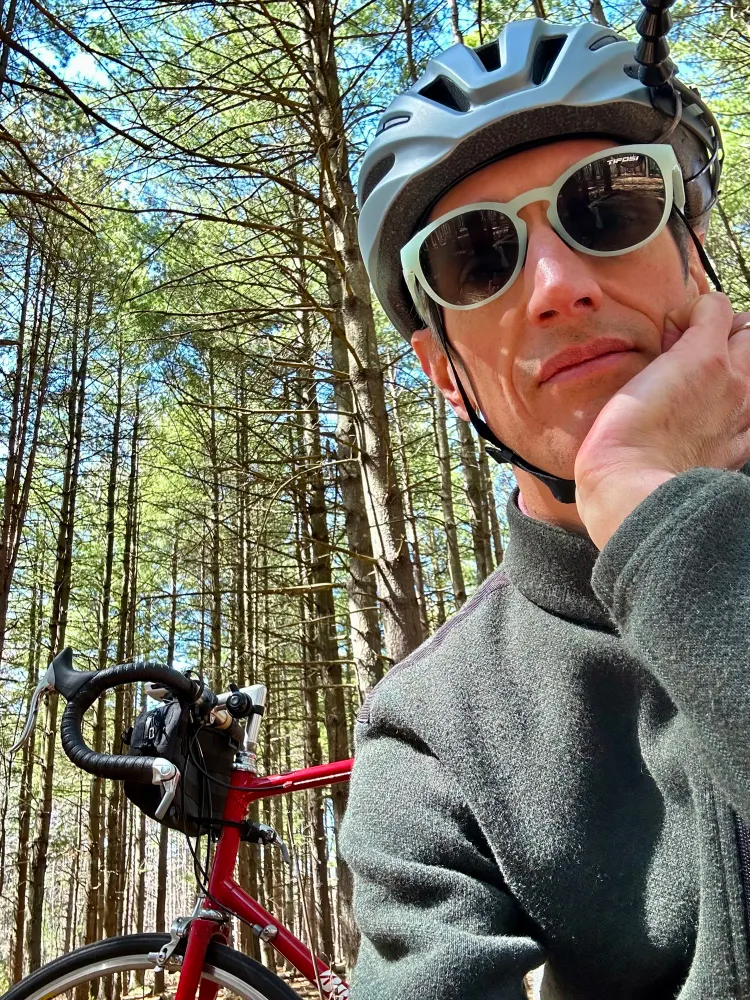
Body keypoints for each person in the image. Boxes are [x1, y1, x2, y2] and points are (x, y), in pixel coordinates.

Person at [339, 16, 750, 1000]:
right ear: (444, 371)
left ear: (694, 254)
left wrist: (664, 521)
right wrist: (638, 485)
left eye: (608, 207)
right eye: (479, 258)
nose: (558, 287)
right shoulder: (431, 735)